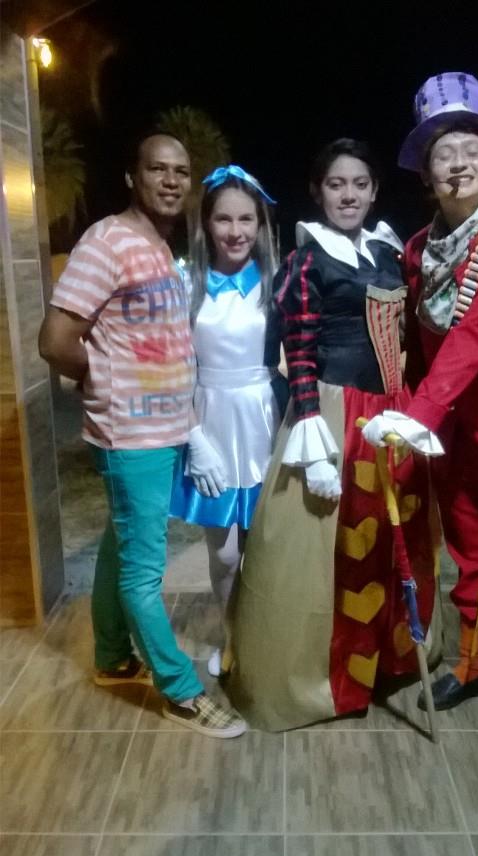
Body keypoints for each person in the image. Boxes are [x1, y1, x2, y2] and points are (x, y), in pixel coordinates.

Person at [38, 132, 246, 738]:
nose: (172, 180)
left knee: (121, 541)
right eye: (158, 168)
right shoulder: (107, 241)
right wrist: (105, 378)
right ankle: (180, 690)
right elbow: (55, 341)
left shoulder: (156, 245)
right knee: (143, 571)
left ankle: (111, 657)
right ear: (133, 176)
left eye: (181, 170)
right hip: (131, 434)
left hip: (159, 430)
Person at [227, 138, 436, 731]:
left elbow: (408, 336)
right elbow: (297, 351)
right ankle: (323, 676)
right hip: (334, 413)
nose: (349, 195)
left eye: (360, 184)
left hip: (390, 413)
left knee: (392, 540)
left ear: (374, 191)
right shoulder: (307, 259)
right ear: (318, 191)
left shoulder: (388, 251)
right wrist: (310, 428)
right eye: (337, 184)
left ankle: (388, 659)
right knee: (324, 551)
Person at [363, 73, 478, 711]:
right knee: (469, 550)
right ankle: (472, 662)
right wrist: (399, 406)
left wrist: (417, 416)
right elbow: (415, 337)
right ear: (426, 173)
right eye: (443, 154)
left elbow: (475, 334)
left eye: (471, 150)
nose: (458, 163)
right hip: (449, 431)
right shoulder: (417, 251)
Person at [170, 165, 285, 677]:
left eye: (246, 219)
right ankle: (231, 636)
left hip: (264, 422)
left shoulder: (277, 282)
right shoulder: (186, 284)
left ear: (260, 224)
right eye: (223, 219)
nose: (236, 231)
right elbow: (174, 368)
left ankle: (262, 642)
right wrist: (194, 437)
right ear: (206, 224)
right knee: (223, 554)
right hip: (210, 422)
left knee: (265, 548)